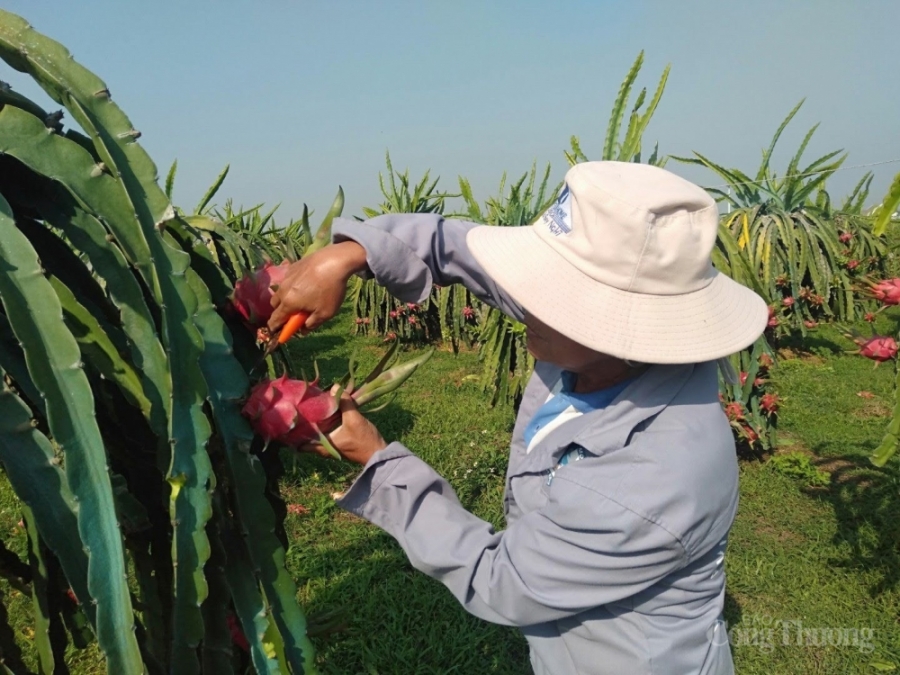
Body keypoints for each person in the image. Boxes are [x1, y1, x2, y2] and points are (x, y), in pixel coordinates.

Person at [268, 161, 768, 675]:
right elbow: (455, 247)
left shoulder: (657, 477)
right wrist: (351, 254)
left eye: (551, 293)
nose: (524, 300)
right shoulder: (594, 343)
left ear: (618, 324)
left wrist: (378, 460)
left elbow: (502, 580)